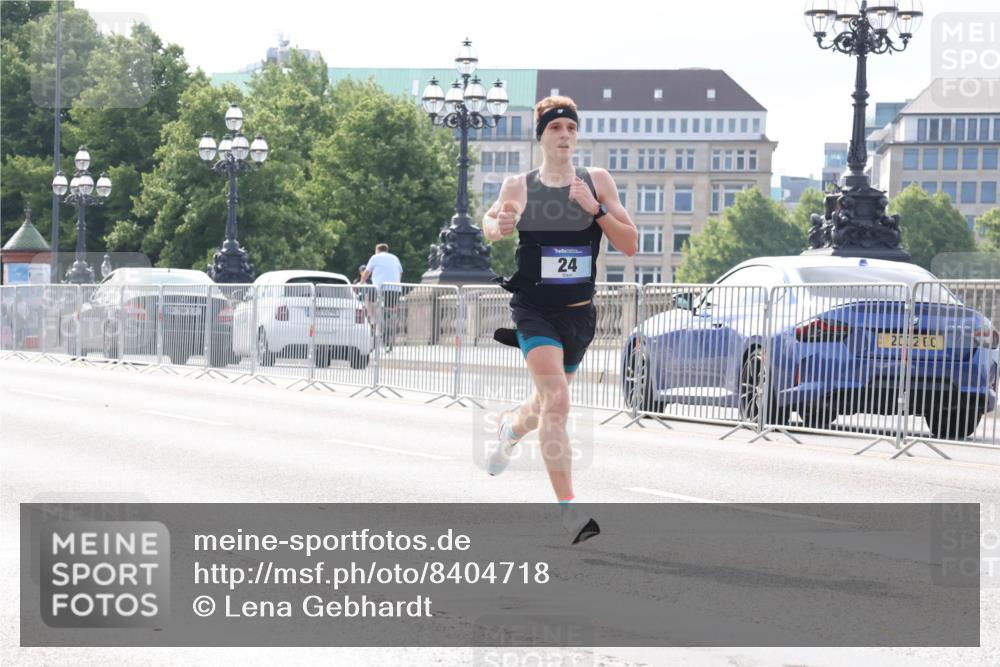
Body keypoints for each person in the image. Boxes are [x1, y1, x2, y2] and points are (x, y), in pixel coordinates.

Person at [482, 95, 638, 544]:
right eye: (555, 128)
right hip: (534, 311)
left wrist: (596, 210)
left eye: (571, 127)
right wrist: (500, 225)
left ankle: (511, 428)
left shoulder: (597, 181)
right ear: (542, 136)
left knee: (544, 405)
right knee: (559, 401)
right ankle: (570, 511)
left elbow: (630, 244)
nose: (565, 134)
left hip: (579, 314)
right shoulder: (520, 185)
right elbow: (491, 222)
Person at [360, 244, 404, 347]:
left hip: (380, 289)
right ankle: (389, 324)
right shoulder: (395, 258)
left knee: (368, 300)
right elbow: (401, 273)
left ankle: (374, 321)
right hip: (395, 289)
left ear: (377, 250)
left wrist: (361, 283)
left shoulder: (375, 257)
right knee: (390, 308)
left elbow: (366, 273)